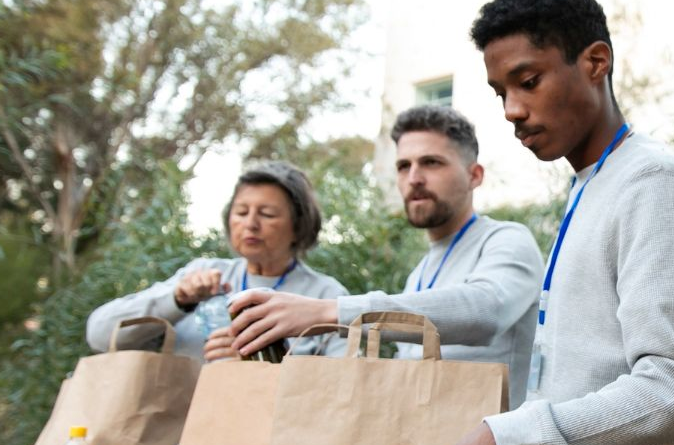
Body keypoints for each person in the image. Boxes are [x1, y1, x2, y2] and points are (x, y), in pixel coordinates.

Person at [401, 0, 674, 445]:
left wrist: (505, 441)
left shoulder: (654, 187)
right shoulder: (590, 186)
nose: (512, 111)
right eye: (500, 91)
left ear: (596, 62)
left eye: (528, 82)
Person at [226, 105, 543, 410]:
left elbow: (484, 311)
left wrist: (327, 313)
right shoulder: (420, 271)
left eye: (431, 162)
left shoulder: (506, 239)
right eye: (404, 166)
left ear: (474, 175)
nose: (414, 178)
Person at [86, 160, 347, 361]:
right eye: (241, 212)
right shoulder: (202, 276)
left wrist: (264, 363)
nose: (250, 224)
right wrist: (176, 300)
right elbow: (99, 335)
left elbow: (340, 388)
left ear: (299, 226)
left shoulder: (324, 295)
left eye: (267, 214)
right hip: (184, 429)